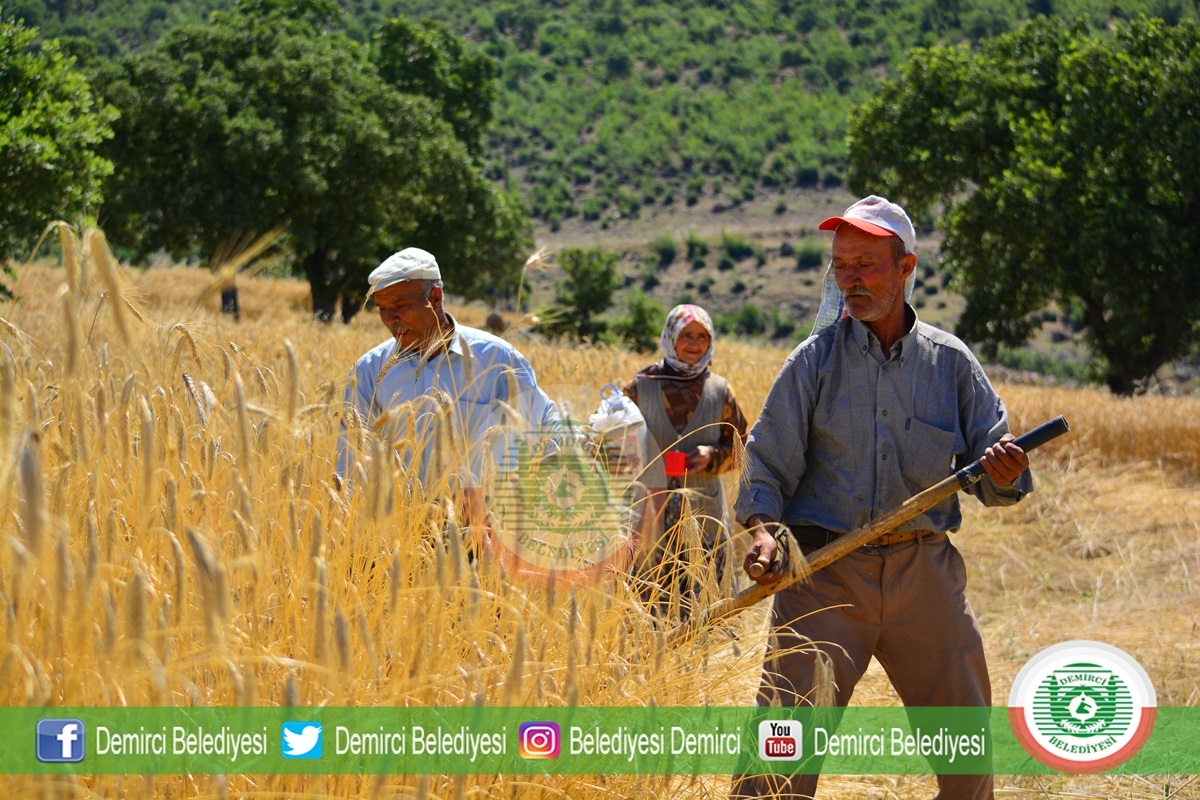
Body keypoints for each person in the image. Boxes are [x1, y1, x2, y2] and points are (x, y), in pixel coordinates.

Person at [731, 196, 1034, 800]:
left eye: (866, 264)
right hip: (823, 576)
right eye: (841, 265)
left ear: (906, 267)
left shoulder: (951, 364)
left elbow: (1000, 478)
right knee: (776, 762)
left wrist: (1004, 471)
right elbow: (765, 465)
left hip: (924, 574)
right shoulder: (812, 363)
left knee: (967, 754)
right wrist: (763, 530)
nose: (850, 278)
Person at [337, 247, 560, 533]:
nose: (390, 319)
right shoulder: (369, 371)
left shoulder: (498, 359)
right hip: (400, 534)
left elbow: (544, 431)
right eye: (382, 309)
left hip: (487, 533)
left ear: (435, 298)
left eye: (400, 305)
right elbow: (349, 460)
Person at [622, 304, 749, 612]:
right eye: (686, 335)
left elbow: (742, 448)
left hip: (704, 514)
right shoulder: (640, 387)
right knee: (647, 605)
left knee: (705, 603)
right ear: (670, 337)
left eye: (702, 337)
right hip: (649, 511)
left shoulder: (720, 391)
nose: (694, 344)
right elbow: (612, 445)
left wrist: (712, 456)